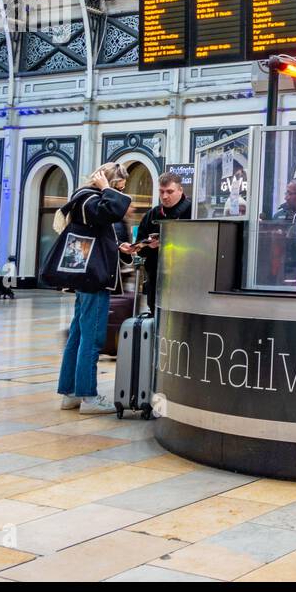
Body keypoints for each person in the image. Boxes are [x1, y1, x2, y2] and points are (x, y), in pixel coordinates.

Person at [56, 162, 130, 414]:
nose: (122, 189)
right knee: (93, 336)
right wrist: (107, 188)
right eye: (120, 183)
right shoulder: (89, 199)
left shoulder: (85, 200)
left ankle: (70, 393)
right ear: (108, 179)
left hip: (85, 275)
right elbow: (116, 209)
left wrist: (119, 248)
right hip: (93, 278)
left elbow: (100, 232)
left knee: (78, 333)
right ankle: (88, 396)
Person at [120, 171, 191, 312]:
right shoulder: (152, 214)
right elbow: (140, 246)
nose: (165, 196)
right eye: (161, 191)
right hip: (156, 278)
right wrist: (149, 246)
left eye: (170, 191)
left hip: (185, 278)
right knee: (156, 314)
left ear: (180, 190)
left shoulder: (193, 211)